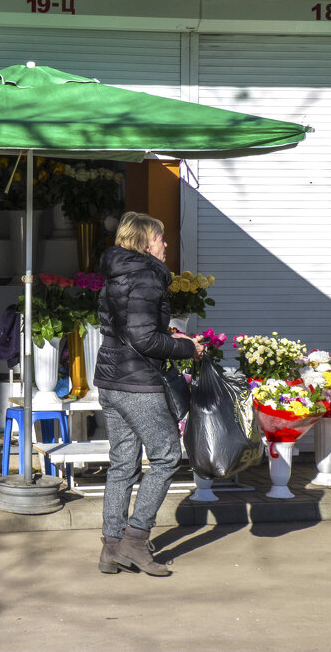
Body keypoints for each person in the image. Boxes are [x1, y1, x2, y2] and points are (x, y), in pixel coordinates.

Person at [93, 211, 203, 576]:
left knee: (123, 462)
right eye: (161, 238)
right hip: (137, 383)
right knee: (167, 456)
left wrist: (171, 336)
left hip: (111, 380)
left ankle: (111, 546)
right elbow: (143, 339)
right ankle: (135, 540)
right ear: (144, 243)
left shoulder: (117, 276)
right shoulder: (146, 279)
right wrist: (188, 348)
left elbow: (127, 329)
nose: (166, 244)